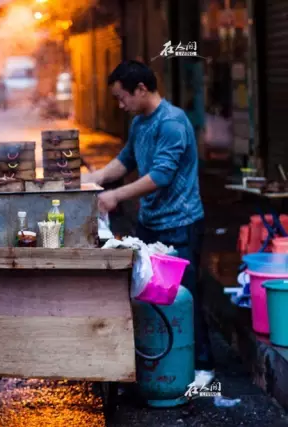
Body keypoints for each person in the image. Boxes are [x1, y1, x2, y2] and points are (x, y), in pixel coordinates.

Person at [83, 60, 215, 387]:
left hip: (179, 224)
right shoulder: (140, 122)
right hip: (150, 223)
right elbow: (126, 159)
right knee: (148, 294)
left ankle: (202, 366)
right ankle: (159, 355)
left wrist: (115, 196)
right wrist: (95, 179)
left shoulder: (172, 123)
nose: (120, 104)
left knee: (183, 295)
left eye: (122, 97)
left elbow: (161, 175)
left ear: (141, 89)